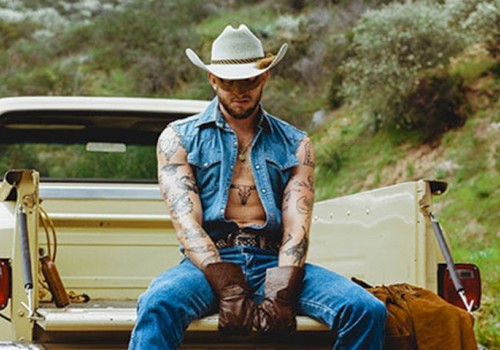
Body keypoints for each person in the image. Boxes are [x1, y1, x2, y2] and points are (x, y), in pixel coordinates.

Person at [129, 24, 386, 350]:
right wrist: (225, 284)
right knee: (157, 304)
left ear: (264, 76)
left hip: (273, 260)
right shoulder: (179, 137)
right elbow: (186, 223)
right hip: (210, 262)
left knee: (365, 310)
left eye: (249, 79)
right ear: (212, 80)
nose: (239, 89)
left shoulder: (296, 143)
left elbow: (297, 225)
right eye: (228, 81)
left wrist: (283, 288)